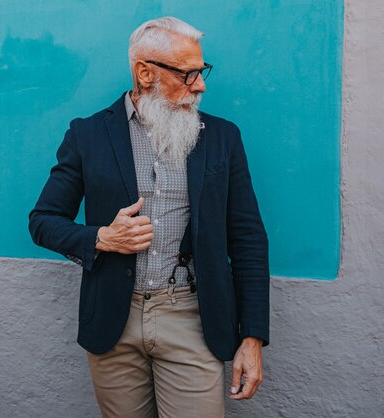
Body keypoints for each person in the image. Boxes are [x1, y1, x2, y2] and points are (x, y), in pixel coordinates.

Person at [28, 16, 269, 418]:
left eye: (202, 71)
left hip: (193, 318)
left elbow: (247, 239)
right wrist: (102, 238)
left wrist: (253, 336)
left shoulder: (223, 137)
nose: (201, 85)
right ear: (144, 73)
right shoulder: (87, 134)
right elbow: (43, 220)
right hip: (112, 323)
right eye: (189, 74)